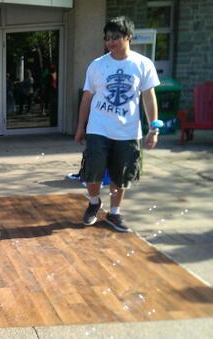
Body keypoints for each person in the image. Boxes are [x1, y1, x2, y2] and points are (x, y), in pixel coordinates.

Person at [74, 16, 161, 232]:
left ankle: (114, 213)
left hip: (128, 131)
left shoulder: (142, 64)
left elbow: (149, 97)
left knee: (121, 176)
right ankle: (94, 203)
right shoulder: (97, 65)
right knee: (92, 171)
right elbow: (87, 98)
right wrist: (80, 128)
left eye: (116, 37)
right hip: (98, 128)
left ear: (128, 37)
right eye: (107, 38)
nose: (111, 42)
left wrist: (153, 129)